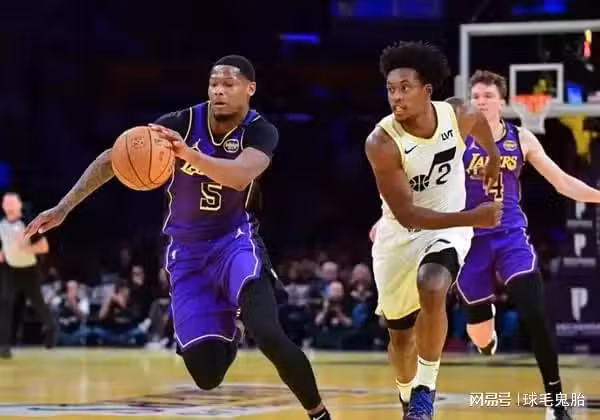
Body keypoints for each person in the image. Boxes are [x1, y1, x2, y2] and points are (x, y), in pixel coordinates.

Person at [24, 55, 331, 420]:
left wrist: (188, 155)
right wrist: (63, 207)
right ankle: (230, 325)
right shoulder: (181, 123)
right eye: (213, 84)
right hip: (187, 253)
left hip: (234, 243)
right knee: (206, 375)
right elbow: (111, 158)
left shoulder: (260, 131)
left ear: (250, 89)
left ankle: (319, 414)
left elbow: (239, 176)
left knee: (268, 333)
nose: (218, 91)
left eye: (229, 84)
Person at [365, 41, 503, 420]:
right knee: (400, 339)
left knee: (433, 282)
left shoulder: (457, 114)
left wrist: (492, 158)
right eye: (391, 89)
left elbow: (480, 124)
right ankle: (407, 395)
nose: (396, 96)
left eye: (405, 87)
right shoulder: (381, 142)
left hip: (446, 228)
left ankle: (425, 390)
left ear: (427, 90)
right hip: (399, 236)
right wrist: (474, 217)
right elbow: (408, 215)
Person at [456, 69, 600, 419]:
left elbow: (562, 182)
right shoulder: (457, 139)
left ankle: (556, 403)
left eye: (488, 96)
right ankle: (486, 330)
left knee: (535, 313)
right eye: (475, 97)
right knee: (480, 339)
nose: (481, 102)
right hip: (469, 241)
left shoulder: (521, 138)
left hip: (510, 237)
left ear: (502, 102)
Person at [0, 192, 56, 358]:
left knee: (38, 303)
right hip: (10, 270)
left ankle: (51, 328)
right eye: (6, 203)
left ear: (19, 205)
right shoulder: (2, 224)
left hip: (30, 270)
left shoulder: (28, 223)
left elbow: (44, 246)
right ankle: (4, 346)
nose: (9, 206)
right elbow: (5, 243)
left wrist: (26, 249)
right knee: (5, 304)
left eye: (12, 203)